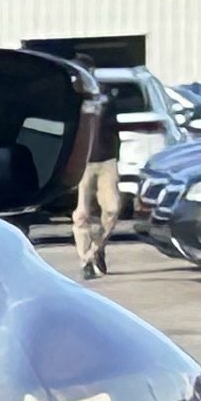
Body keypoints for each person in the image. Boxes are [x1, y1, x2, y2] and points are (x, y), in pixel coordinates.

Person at [71, 81, 122, 279]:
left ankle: (97, 248)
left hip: (107, 160)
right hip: (84, 162)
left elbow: (115, 129)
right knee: (82, 214)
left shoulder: (106, 97)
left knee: (112, 209)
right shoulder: (72, 98)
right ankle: (86, 260)